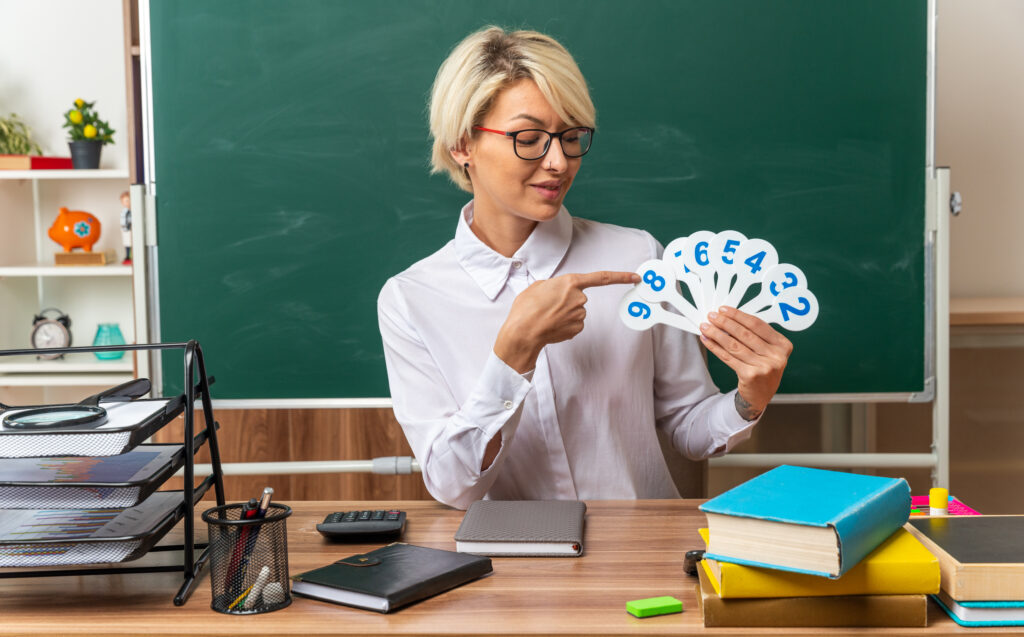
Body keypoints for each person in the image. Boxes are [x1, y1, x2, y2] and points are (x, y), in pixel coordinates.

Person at [377, 27, 793, 510]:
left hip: (639, 555)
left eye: (571, 137)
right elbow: (453, 486)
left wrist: (749, 398)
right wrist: (513, 354)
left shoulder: (638, 258)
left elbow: (687, 426)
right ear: (462, 145)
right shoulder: (412, 299)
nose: (558, 162)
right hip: (507, 566)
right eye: (529, 138)